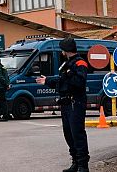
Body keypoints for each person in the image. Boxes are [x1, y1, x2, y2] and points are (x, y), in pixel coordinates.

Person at [39, 37, 89, 172]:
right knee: (68, 134)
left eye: (62, 49)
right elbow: (62, 80)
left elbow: (79, 82)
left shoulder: (80, 63)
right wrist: (48, 80)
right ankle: (75, 162)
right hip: (66, 102)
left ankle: (83, 166)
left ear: (66, 50)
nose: (61, 52)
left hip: (75, 102)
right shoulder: (67, 64)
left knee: (77, 133)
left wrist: (68, 75)